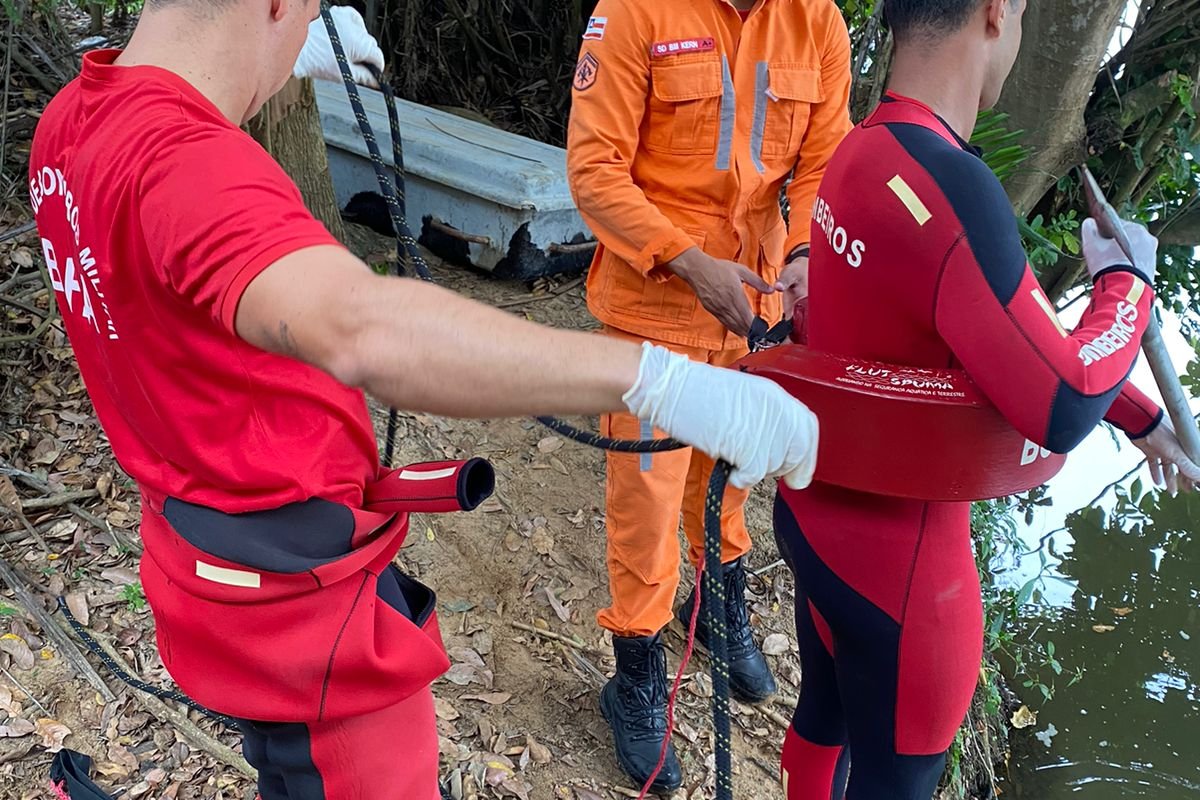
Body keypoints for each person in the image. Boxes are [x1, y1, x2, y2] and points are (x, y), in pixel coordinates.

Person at [26, 1, 822, 798]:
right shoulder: (190, 167)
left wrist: (263, 67)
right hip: (299, 612)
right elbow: (364, 328)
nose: (308, 28)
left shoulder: (72, 123)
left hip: (203, 556)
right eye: (305, 14)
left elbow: (162, 236)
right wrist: (658, 380)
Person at [772, 1, 1200, 798]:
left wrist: (1143, 419)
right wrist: (1126, 284)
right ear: (997, 11)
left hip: (816, 527)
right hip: (906, 583)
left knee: (820, 725)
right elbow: (1061, 399)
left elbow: (994, 351)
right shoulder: (952, 187)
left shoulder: (860, 151)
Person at [565, 0, 853, 788]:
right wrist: (688, 263)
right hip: (653, 308)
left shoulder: (817, 20)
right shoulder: (632, 13)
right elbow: (593, 171)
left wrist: (804, 252)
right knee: (647, 505)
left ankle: (717, 610)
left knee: (726, 483)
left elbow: (826, 155)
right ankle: (636, 673)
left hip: (751, 302)